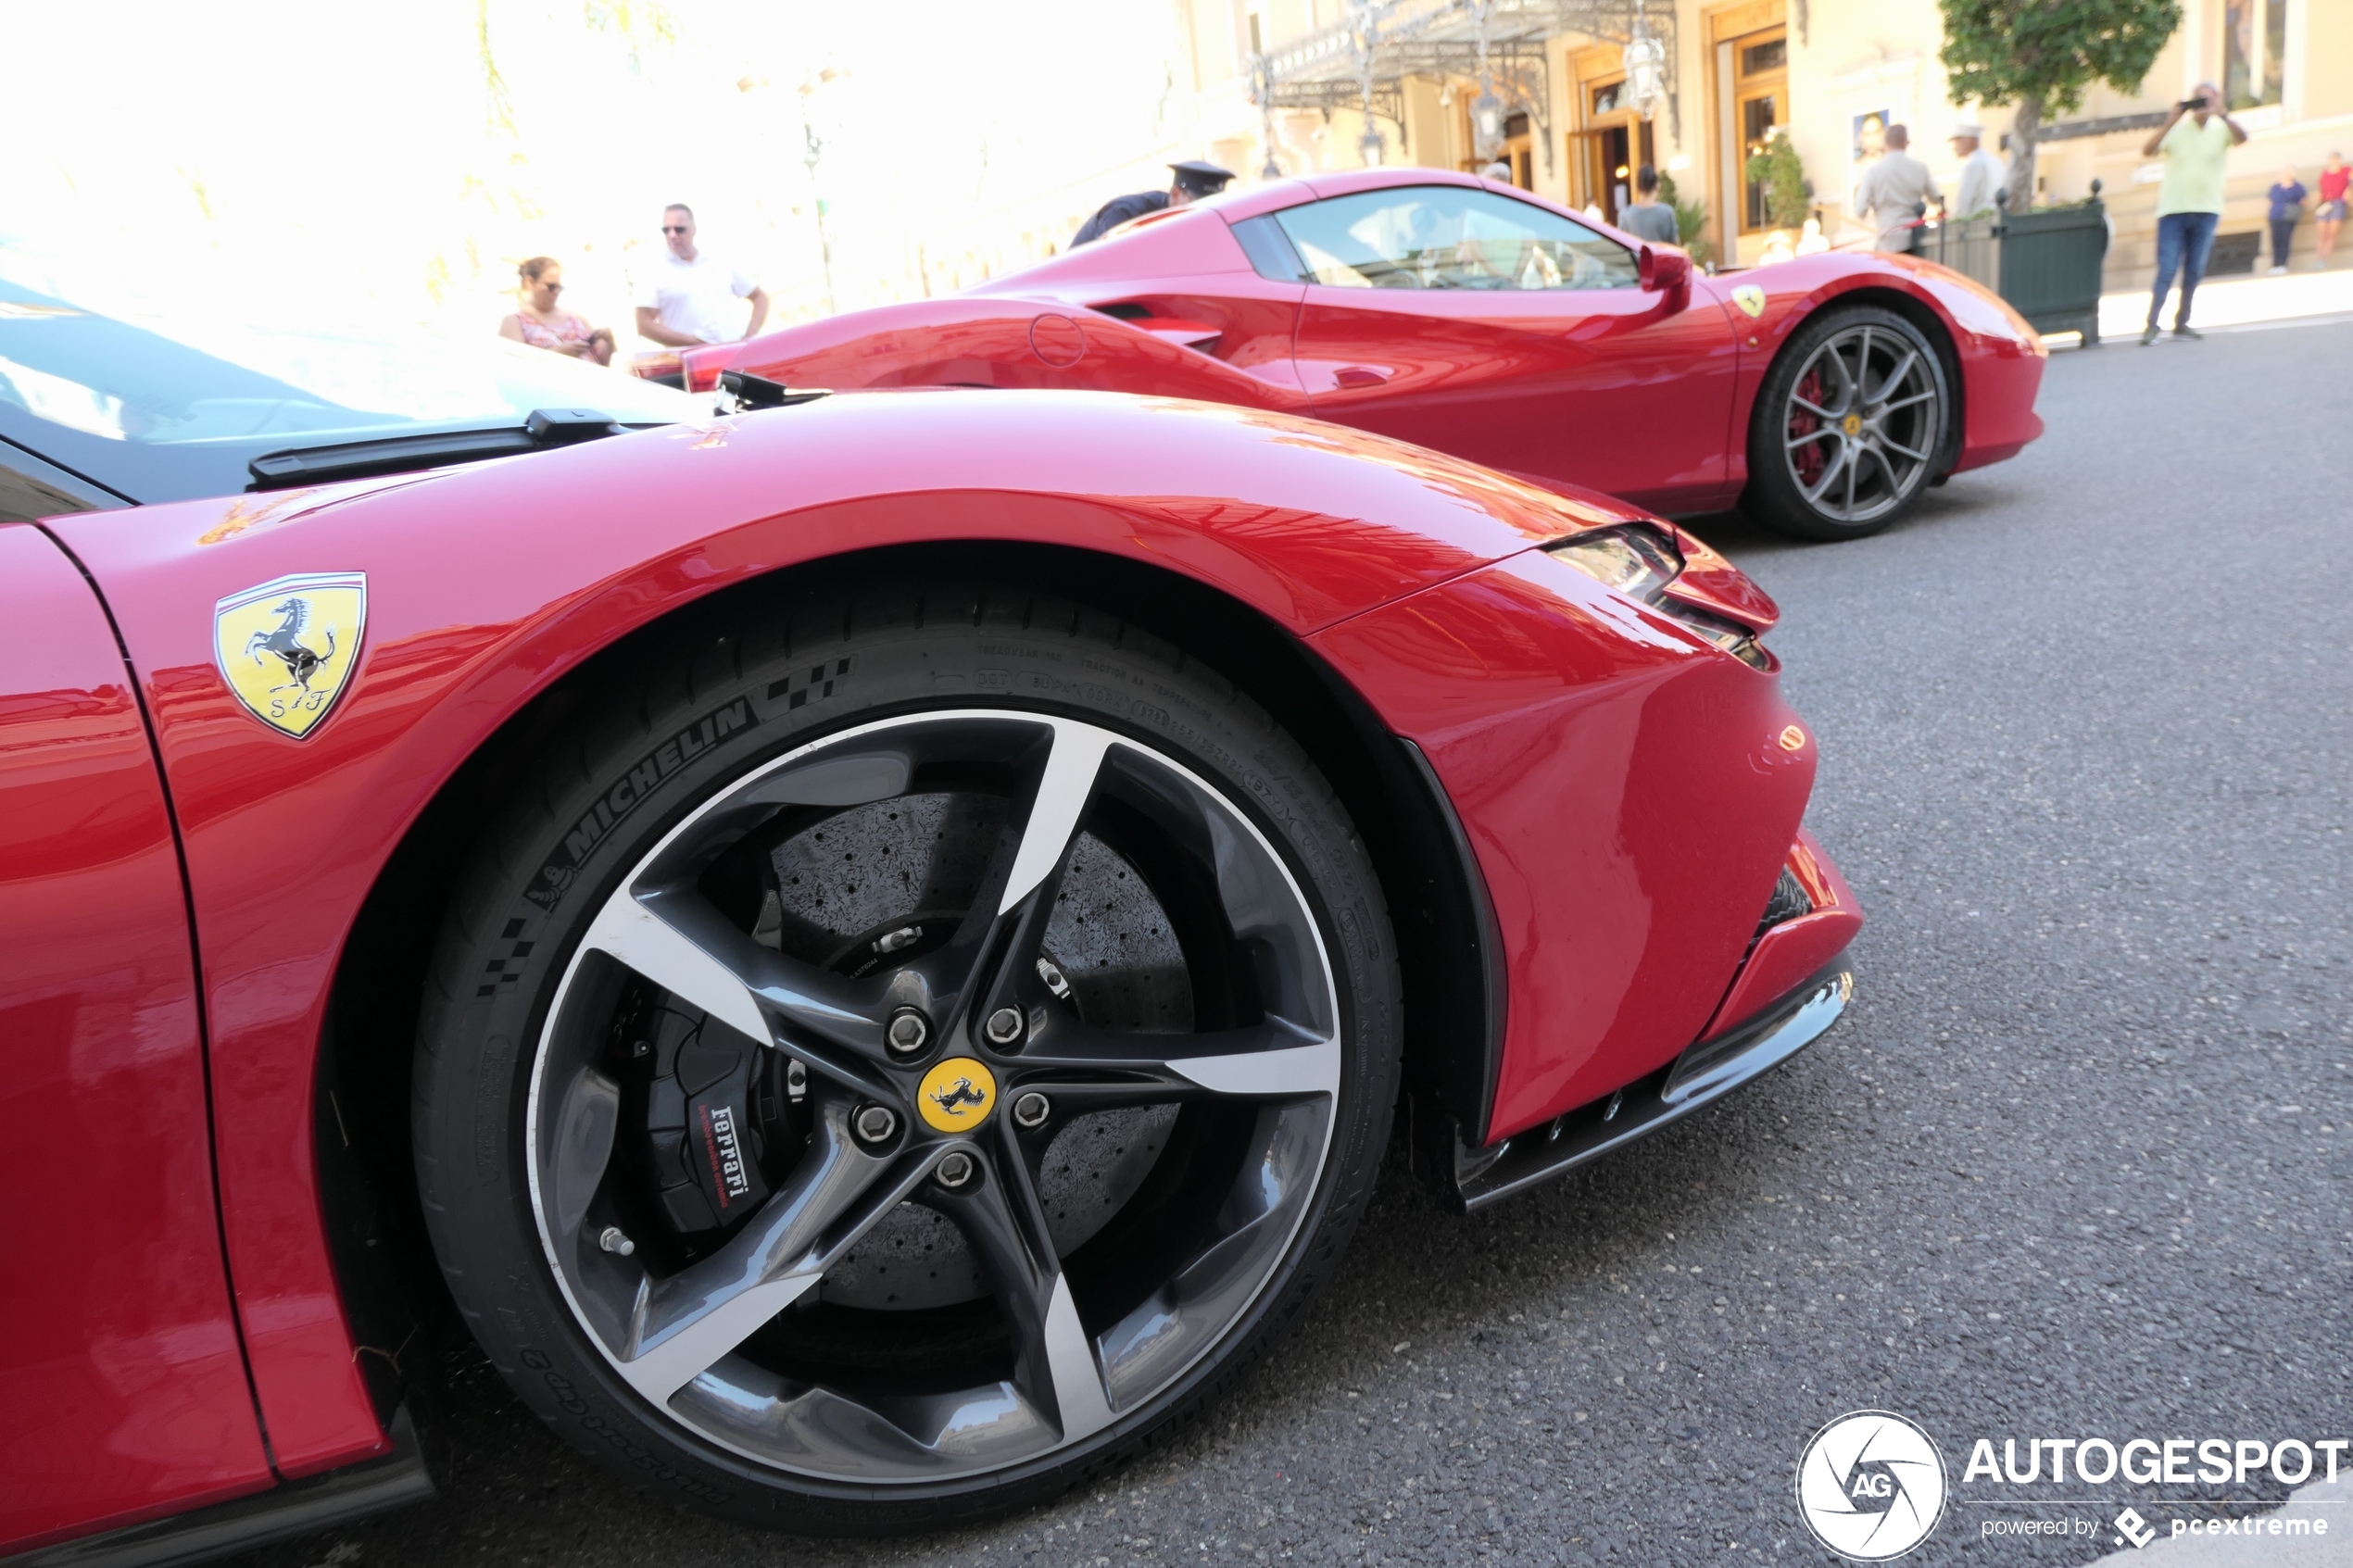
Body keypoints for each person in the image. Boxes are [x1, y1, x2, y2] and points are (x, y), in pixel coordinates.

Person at [2139, 83, 2247, 344]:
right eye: (2198, 100)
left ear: (2217, 101)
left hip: (2207, 209)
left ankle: (2182, 323)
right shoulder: (2177, 130)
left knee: (2194, 270)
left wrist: (2223, 114)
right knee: (2167, 269)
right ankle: (2152, 325)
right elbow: (2147, 150)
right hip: (2173, 211)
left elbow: (2242, 139)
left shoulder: (2222, 129)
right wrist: (2169, 122)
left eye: (2207, 100)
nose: (2202, 106)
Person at [634, 205, 770, 347]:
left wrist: (749, 338)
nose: (672, 235)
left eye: (679, 229)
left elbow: (760, 297)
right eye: (666, 230)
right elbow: (643, 325)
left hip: (732, 355)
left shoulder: (717, 260)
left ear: (693, 229)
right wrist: (694, 343)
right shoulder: (653, 270)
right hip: (689, 362)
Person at [1071, 161, 1234, 247]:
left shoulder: (1198, 226)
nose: (1203, 213)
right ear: (1176, 194)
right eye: (1198, 204)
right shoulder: (1125, 214)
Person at [498, 257, 614, 366]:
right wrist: (557, 353)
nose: (556, 292)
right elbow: (514, 368)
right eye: (551, 286)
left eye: (559, 287)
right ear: (530, 282)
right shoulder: (515, 322)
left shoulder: (575, 318)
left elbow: (603, 361)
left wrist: (609, 342)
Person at [1852, 124, 1940, 253]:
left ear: (1885, 143)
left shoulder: (1873, 172)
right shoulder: (1920, 168)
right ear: (1905, 142)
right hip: (1915, 239)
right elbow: (1937, 199)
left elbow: (1860, 211)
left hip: (1888, 241)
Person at [1949, 120, 2004, 220]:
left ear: (1967, 140)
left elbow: (1964, 202)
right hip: (1996, 219)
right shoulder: (1995, 161)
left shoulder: (1973, 164)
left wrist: (1954, 221)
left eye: (1957, 141)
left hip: (1977, 224)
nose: (1954, 147)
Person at [1619, 165, 1680, 245]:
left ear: (1637, 187)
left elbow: (1621, 245)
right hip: (1659, 257)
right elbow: (1675, 245)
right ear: (1657, 186)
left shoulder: (1626, 214)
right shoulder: (1667, 212)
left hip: (1636, 257)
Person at [2266, 168, 2308, 274]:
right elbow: (2271, 201)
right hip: (2275, 216)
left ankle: (2283, 264)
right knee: (2276, 241)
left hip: (2288, 217)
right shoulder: (2275, 187)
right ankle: (2275, 264)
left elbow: (2303, 201)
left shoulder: (2297, 187)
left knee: (2285, 240)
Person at [2314, 152, 2347, 270]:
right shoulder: (2324, 173)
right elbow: (2320, 188)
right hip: (2324, 204)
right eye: (2332, 159)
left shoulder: (2346, 170)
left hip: (2338, 203)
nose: (2334, 162)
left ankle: (2323, 260)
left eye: (2336, 159)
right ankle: (2318, 259)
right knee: (2321, 234)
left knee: (2331, 234)